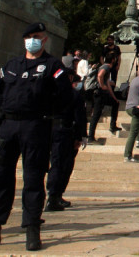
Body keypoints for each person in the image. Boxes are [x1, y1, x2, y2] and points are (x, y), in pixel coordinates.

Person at [0, 22, 72, 252]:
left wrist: (44, 114)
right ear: (24, 39)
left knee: (33, 179)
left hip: (36, 125)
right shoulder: (11, 65)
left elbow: (64, 97)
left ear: (44, 40)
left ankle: (32, 229)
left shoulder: (53, 66)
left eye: (37, 36)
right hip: (9, 125)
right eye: (29, 36)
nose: (33, 40)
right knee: (0, 178)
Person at [45, 66, 87, 212]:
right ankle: (54, 196)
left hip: (49, 130)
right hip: (66, 132)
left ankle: (52, 194)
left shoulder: (50, 93)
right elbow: (80, 116)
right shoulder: (73, 94)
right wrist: (81, 136)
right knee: (63, 165)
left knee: (55, 163)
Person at [87, 51, 120, 141]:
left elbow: (108, 84)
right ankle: (90, 137)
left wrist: (114, 97)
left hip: (103, 94)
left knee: (115, 103)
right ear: (113, 60)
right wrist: (102, 85)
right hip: (99, 93)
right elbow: (100, 75)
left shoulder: (105, 67)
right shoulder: (106, 67)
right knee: (96, 115)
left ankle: (113, 125)